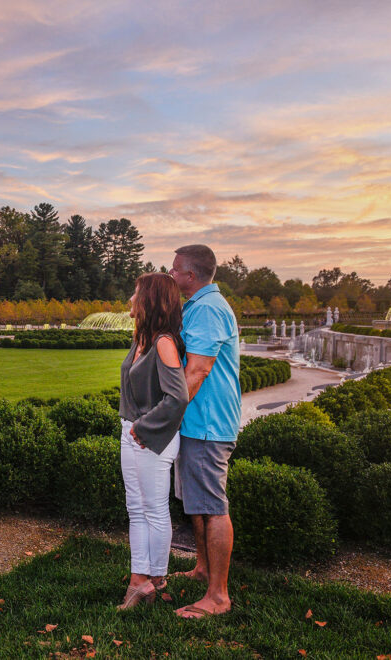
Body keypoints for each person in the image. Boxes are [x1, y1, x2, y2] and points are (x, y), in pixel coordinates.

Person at [168, 244, 241, 619]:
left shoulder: (209, 309)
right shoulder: (200, 306)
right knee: (196, 504)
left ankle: (218, 596)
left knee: (212, 508)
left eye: (175, 269)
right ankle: (201, 569)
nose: (171, 274)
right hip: (196, 423)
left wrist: (164, 417)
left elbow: (197, 371)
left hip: (209, 425)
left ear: (190, 275)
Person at [116, 273, 189, 609]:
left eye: (136, 293)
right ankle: (137, 579)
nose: (131, 298)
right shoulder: (141, 338)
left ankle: (153, 578)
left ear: (149, 299)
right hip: (131, 433)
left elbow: (177, 397)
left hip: (151, 439)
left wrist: (143, 429)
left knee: (154, 510)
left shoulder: (163, 342)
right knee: (136, 509)